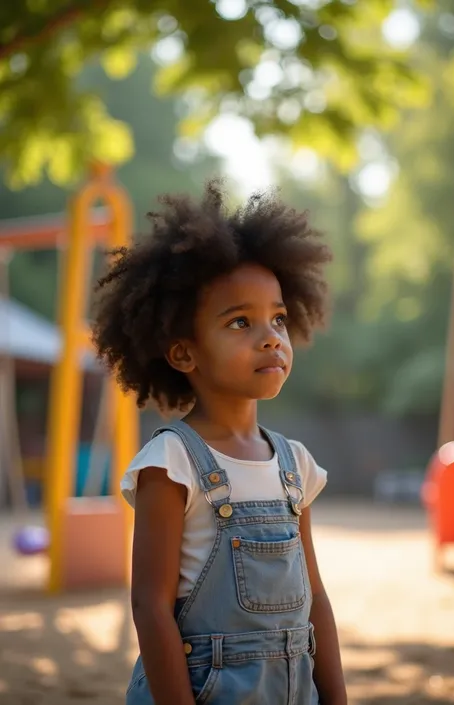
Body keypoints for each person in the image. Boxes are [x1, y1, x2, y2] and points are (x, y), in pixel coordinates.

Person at [92, 181, 347, 705]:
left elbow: (315, 597)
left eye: (278, 317)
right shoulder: (171, 463)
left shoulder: (296, 464)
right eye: (240, 322)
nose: (271, 336)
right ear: (184, 354)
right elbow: (150, 606)